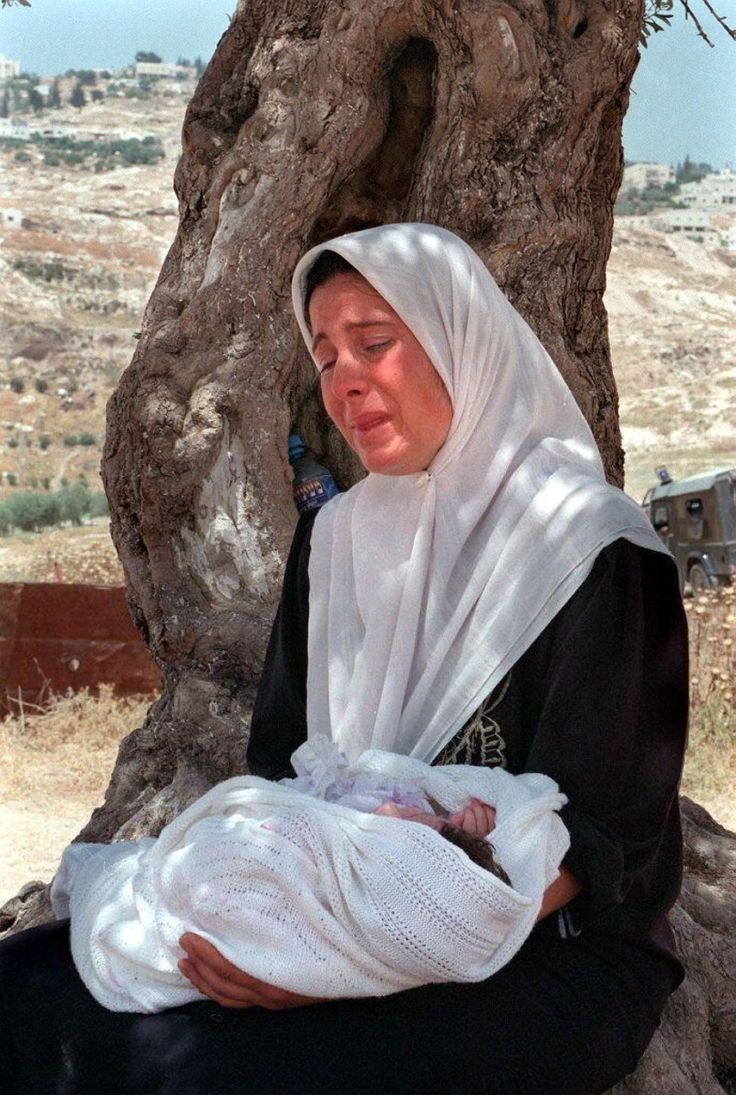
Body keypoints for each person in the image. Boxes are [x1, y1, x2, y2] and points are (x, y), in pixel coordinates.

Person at [0, 223, 688, 1095]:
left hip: (538, 945)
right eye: (324, 357)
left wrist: (345, 958)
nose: (343, 381)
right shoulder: (336, 541)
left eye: (375, 343)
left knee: (226, 1073)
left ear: (458, 342)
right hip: (329, 910)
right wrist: (267, 922)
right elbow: (280, 765)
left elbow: (599, 843)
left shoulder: (591, 549)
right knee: (26, 989)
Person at [51, 737, 563, 1014]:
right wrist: (465, 829)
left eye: (420, 830)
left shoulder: (402, 881)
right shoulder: (412, 815)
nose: (394, 811)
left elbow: (402, 915)